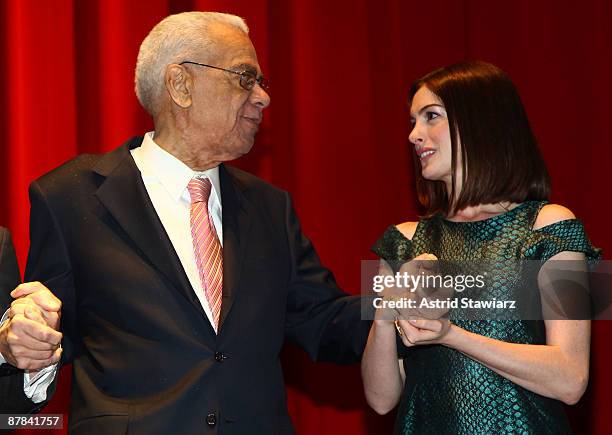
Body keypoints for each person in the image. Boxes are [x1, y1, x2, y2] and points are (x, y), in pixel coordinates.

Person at [0, 12, 370, 434]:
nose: (263, 97)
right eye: (246, 78)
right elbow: (47, 336)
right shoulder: (70, 196)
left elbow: (324, 320)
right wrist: (26, 342)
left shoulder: (270, 207)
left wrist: (418, 296)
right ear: (181, 85)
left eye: (262, 82)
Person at [361, 61, 601, 434]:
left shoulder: (552, 226)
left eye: (431, 116)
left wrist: (451, 335)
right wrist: (383, 309)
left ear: (478, 122)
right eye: (413, 121)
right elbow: (380, 399)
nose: (413, 135)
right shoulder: (403, 241)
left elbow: (571, 379)